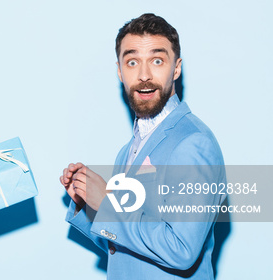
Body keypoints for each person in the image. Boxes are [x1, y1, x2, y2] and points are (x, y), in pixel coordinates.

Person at [59, 13, 226, 279]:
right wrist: (87, 205)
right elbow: (127, 252)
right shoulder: (128, 150)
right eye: (132, 62)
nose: (144, 75)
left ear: (177, 68)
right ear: (119, 71)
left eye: (157, 61)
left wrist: (106, 203)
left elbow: (181, 251)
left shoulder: (194, 143)